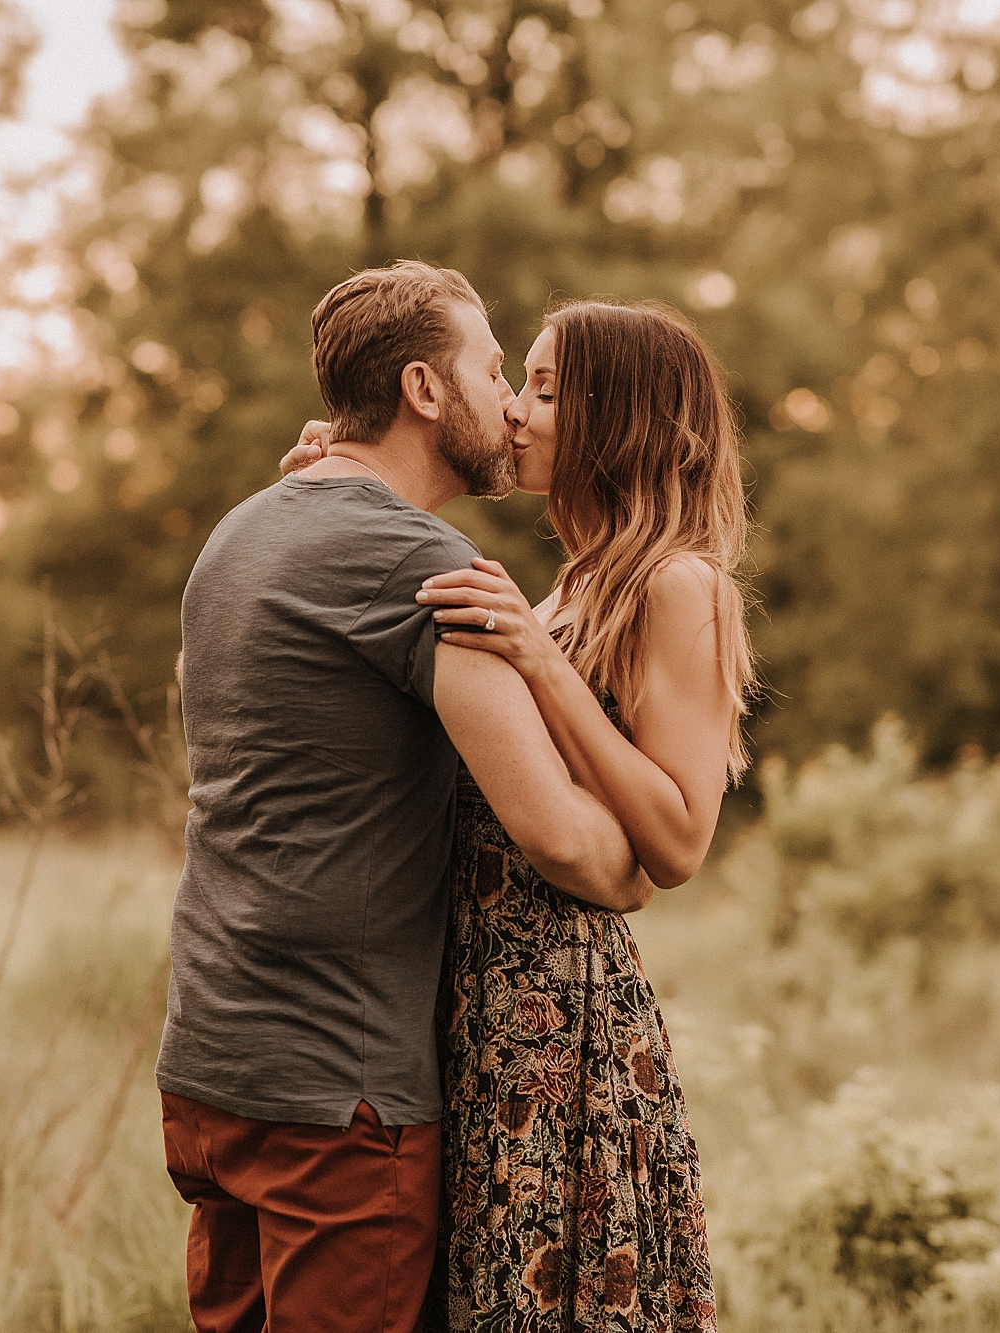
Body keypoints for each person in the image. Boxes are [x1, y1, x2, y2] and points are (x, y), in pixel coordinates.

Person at [157, 262, 653, 1333]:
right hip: (341, 1095)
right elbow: (562, 841)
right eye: (490, 368)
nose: (513, 405)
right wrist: (642, 862)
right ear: (426, 391)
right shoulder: (419, 564)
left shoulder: (240, 530)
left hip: (208, 1065)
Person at [283, 300, 754, 1332]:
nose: (518, 413)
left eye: (545, 389)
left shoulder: (679, 586)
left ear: (618, 417)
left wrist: (540, 664)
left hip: (563, 1023)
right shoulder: (570, 586)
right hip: (474, 1013)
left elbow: (677, 838)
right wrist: (339, 482)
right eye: (519, 383)